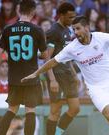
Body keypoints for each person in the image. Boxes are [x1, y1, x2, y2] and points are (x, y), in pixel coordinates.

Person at [22, 16, 109, 135]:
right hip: (95, 88)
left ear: (87, 27)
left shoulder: (101, 38)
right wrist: (35, 73)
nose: (75, 32)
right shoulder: (72, 48)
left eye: (78, 28)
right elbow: (53, 61)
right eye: (73, 29)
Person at [0, 0, 48, 135]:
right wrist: (38, 55)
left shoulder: (7, 29)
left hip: (14, 77)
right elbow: (46, 56)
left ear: (19, 11)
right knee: (30, 110)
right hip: (31, 77)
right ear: (33, 12)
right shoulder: (37, 30)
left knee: (12, 109)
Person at [44, 2, 80, 135]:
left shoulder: (67, 29)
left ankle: (58, 133)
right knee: (55, 111)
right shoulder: (53, 31)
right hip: (56, 75)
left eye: (73, 17)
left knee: (75, 108)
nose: (72, 20)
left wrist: (74, 74)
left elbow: (67, 54)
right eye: (70, 17)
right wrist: (52, 80)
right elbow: (47, 58)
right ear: (61, 15)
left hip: (67, 74)